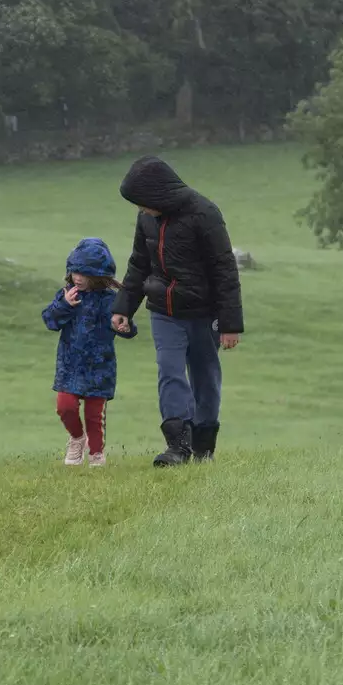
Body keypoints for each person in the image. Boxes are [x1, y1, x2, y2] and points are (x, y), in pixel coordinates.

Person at [111, 155, 244, 466]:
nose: (140, 209)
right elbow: (138, 264)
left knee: (205, 378)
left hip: (203, 312)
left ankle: (204, 448)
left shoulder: (205, 213)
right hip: (163, 312)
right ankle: (177, 447)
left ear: (159, 194)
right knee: (170, 373)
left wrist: (230, 324)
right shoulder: (147, 219)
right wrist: (124, 308)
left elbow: (225, 270)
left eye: (142, 202)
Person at [42, 237, 137, 467]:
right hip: (70, 366)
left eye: (84, 273)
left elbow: (127, 328)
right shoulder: (66, 295)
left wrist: (125, 327)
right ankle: (76, 438)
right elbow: (50, 321)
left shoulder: (111, 300)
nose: (78, 277)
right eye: (75, 271)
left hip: (100, 367)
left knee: (95, 416)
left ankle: (96, 454)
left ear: (98, 276)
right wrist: (64, 305)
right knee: (65, 407)